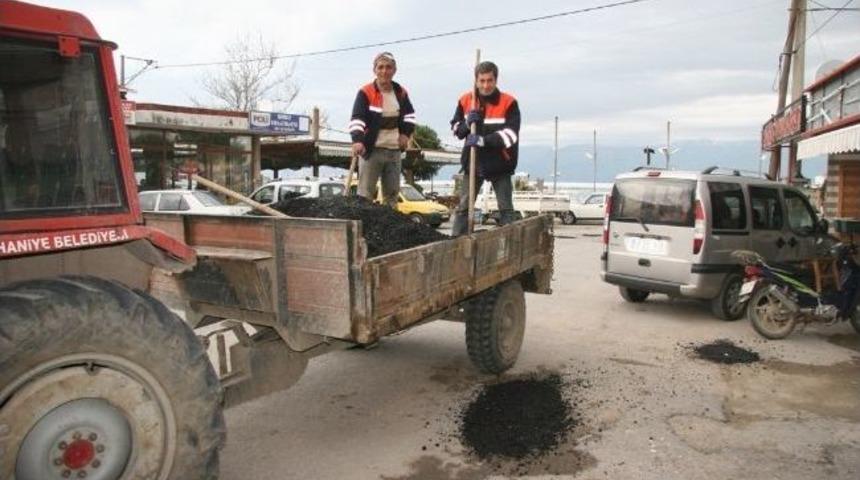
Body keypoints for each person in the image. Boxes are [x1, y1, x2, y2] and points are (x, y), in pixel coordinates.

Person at [450, 61, 521, 236]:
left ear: (496, 80)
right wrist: (467, 124)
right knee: (464, 207)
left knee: (505, 208)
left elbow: (511, 135)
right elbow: (456, 129)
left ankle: (509, 244)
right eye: (482, 80)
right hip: (473, 162)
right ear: (476, 80)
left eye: (489, 80)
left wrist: (483, 140)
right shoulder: (466, 100)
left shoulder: (509, 102)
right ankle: (455, 242)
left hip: (500, 163)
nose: (485, 85)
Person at [349, 52, 417, 208]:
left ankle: (389, 230)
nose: (384, 71)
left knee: (392, 196)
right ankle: (363, 227)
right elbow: (357, 119)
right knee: (365, 195)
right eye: (380, 67)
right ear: (374, 70)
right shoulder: (365, 92)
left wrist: (405, 134)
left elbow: (410, 116)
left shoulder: (401, 92)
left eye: (388, 67)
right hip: (372, 150)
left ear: (394, 70)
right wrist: (357, 140)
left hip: (394, 151)